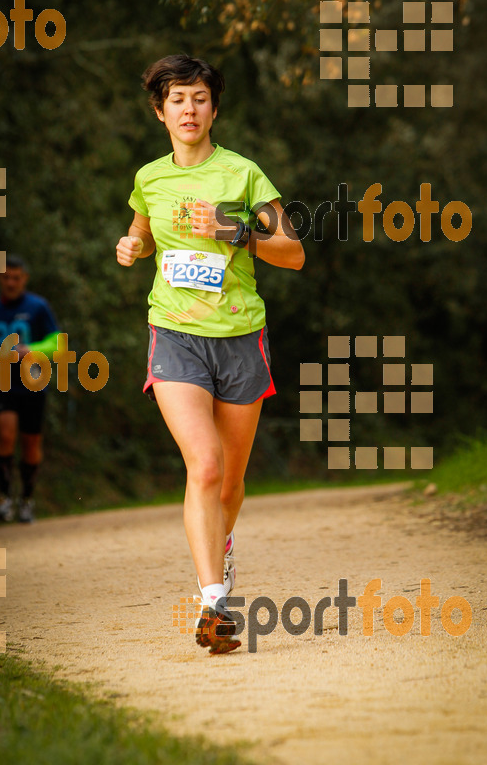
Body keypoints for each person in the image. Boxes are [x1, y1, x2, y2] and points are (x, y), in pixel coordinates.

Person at [116, 54, 304, 654]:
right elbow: (145, 232)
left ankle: (221, 544)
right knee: (205, 465)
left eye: (199, 98)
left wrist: (234, 230)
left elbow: (292, 252)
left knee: (231, 483)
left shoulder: (244, 175)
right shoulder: (150, 178)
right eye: (177, 99)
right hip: (173, 332)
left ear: (213, 108)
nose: (189, 109)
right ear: (160, 111)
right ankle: (213, 605)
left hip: (241, 337)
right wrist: (132, 244)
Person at [0, 255, 59, 523]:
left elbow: (57, 344)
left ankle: (27, 499)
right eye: (6, 277)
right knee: (5, 435)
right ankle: (4, 499)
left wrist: (30, 350)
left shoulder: (38, 307)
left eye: (16, 277)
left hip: (32, 382)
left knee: (31, 442)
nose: (11, 282)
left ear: (24, 279)